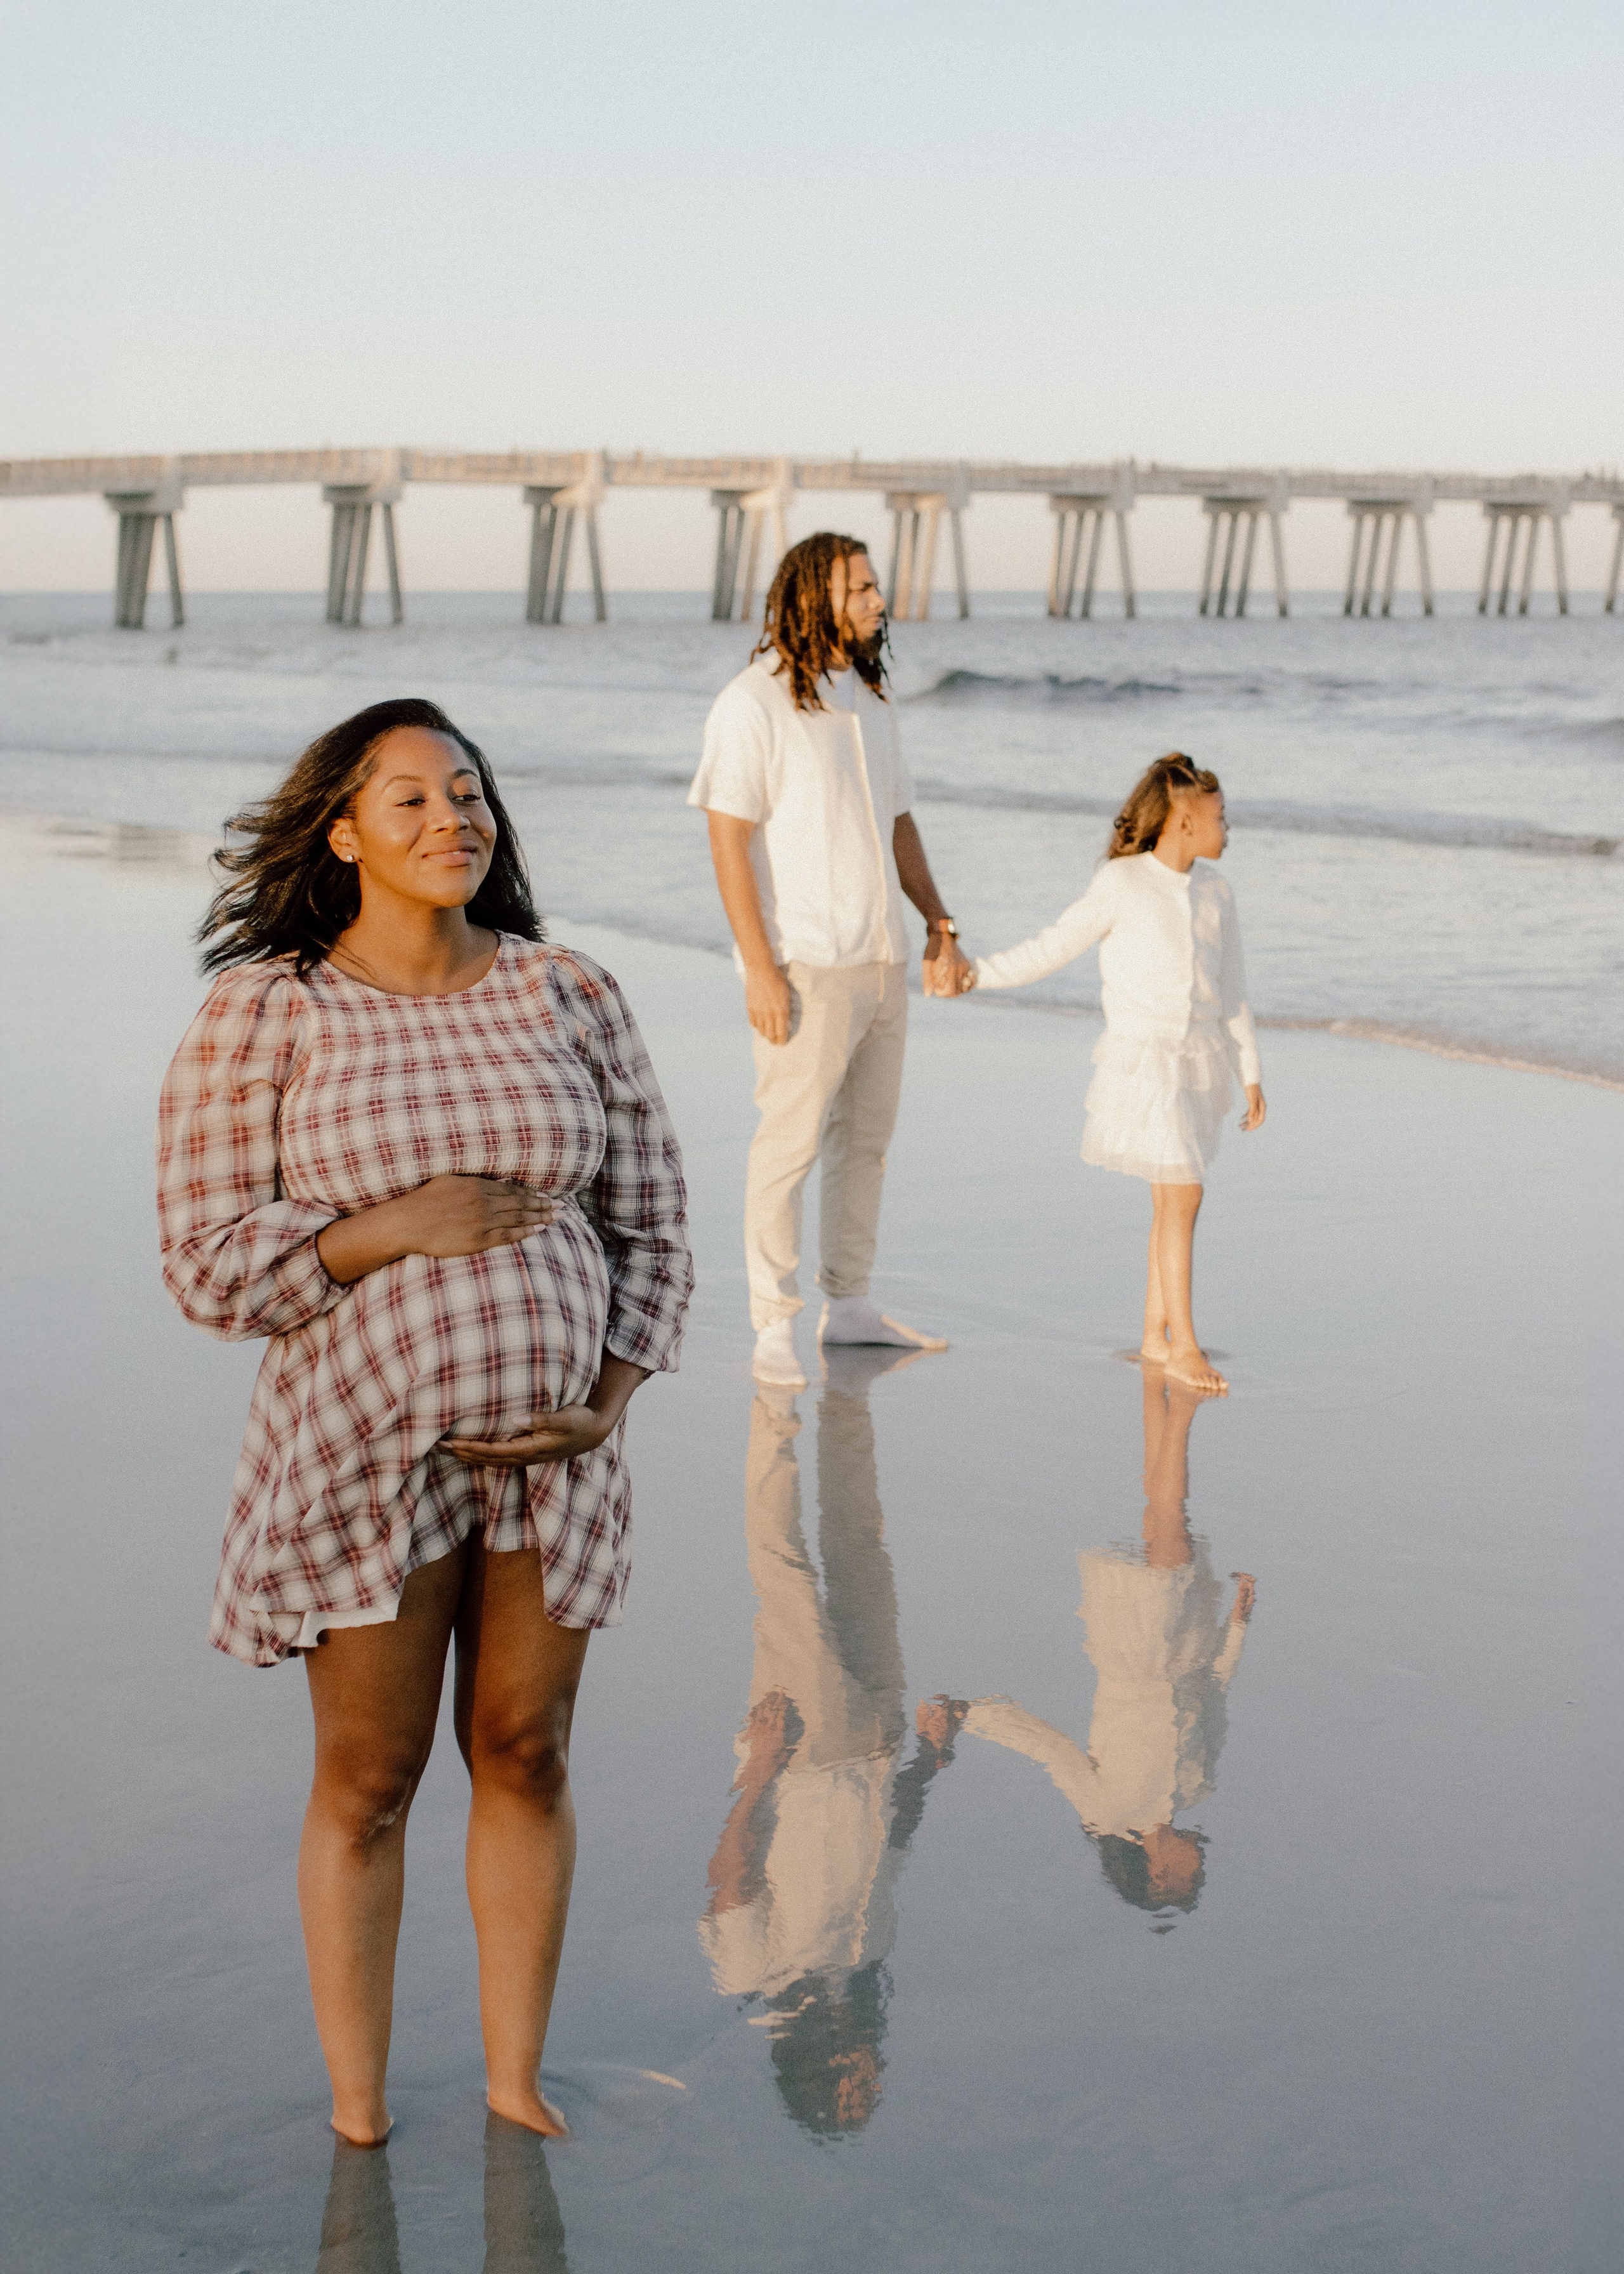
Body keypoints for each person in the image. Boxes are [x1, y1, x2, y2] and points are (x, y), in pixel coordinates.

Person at [156, 696, 692, 2146]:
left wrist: (606, 1407)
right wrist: (393, 1227)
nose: (453, 819)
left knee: (525, 1754)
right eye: (409, 800)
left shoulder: (567, 991)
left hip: (552, 1464)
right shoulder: (267, 1012)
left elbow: (652, 1221)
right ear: (341, 833)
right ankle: (360, 2107)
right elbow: (208, 1263)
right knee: (373, 1779)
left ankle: (513, 2080)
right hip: (358, 1461)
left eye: (468, 794)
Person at [688, 532, 974, 1391]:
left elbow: (900, 823)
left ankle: (848, 1306)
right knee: (788, 1145)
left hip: (882, 960)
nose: (878, 602)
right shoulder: (753, 704)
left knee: (868, 1143)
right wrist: (761, 968)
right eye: (860, 589)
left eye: (875, 587)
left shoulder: (874, 701)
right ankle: (774, 1322)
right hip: (804, 964)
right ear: (814, 595)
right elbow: (728, 838)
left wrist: (939, 922)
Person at [699, 1348, 963, 2134]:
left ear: (813, 2072)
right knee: (864, 1549)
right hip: (879, 1738)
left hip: (801, 1752)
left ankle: (773, 1404)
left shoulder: (753, 1978)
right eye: (870, 2092)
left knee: (783, 1571)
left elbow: (730, 1873)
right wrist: (931, 1758)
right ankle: (848, 1404)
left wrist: (759, 1767)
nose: (869, 2077)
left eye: (852, 2091)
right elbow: (894, 1845)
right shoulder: (864, 1957)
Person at [971, 753, 1266, 1392]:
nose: (1227, 826)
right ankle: (1184, 1344)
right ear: (1184, 821)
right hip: (1145, 1063)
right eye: (1219, 815)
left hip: (1198, 1062)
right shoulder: (1122, 882)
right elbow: (1053, 944)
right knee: (1185, 1194)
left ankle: (1153, 1338)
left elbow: (1234, 985)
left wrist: (1250, 1069)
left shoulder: (1217, 890)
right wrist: (976, 973)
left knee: (1172, 1197)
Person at [948, 1368, 1256, 1925]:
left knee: (1170, 1527)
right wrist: (1238, 1625)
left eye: (1192, 1874)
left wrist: (972, 1714)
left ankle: (1182, 1406)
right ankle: (1156, 1379)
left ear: (1159, 1873)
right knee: (1160, 1520)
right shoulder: (1198, 1787)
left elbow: (1050, 1749)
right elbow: (1214, 1691)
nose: (1202, 1863)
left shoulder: (1107, 1811)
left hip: (1134, 1655)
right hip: (1187, 1649)